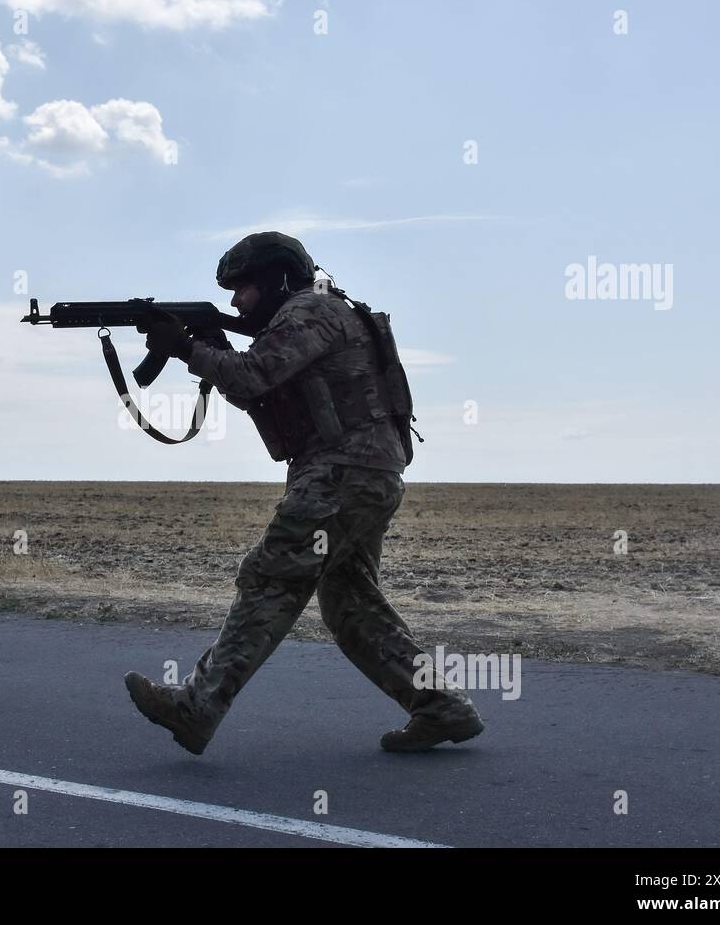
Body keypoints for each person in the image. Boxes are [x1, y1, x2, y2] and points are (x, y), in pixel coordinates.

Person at [123, 231, 485, 754]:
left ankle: (197, 706)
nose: (235, 301)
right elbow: (261, 389)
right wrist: (206, 347)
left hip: (339, 478)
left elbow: (252, 377)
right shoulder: (321, 311)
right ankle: (441, 707)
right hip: (366, 475)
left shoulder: (310, 311)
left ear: (276, 280)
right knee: (350, 604)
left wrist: (185, 347)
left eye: (243, 288)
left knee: (270, 579)